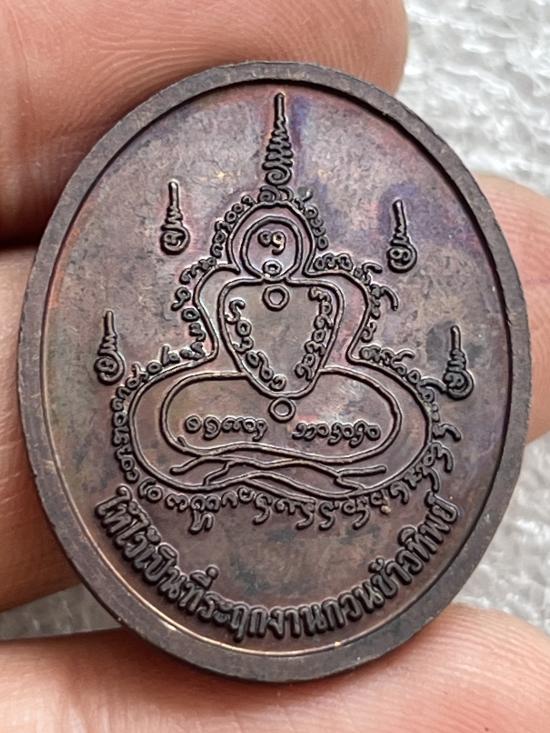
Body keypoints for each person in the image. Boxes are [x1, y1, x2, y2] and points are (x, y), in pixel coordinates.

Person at [0, 1, 548, 729]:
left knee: (385, 411)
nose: (272, 258)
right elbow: (218, 359)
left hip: (317, 401)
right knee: (168, 410)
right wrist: (260, 392)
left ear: (298, 241)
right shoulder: (224, 291)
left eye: (281, 245)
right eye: (261, 245)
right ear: (246, 242)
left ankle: (287, 448)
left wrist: (301, 391)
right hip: (236, 399)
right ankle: (258, 449)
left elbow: (337, 363)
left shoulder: (334, 292)